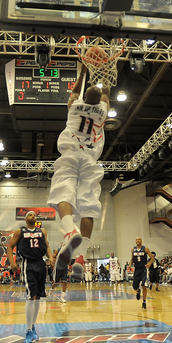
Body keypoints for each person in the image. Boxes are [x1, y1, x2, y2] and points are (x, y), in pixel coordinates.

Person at [47, 69, 110, 281]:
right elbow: (107, 94)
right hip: (91, 160)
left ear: (84, 97)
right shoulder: (102, 111)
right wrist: (106, 68)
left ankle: (68, 232)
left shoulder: (74, 107)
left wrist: (83, 72)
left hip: (71, 154)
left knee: (62, 192)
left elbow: (73, 92)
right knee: (88, 205)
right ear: (98, 100)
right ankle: (81, 258)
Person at [7, 210, 54, 343]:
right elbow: (10, 247)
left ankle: (33, 327)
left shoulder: (42, 231)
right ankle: (27, 331)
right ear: (26, 219)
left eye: (35, 214)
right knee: (31, 296)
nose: (34, 216)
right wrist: (12, 261)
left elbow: (47, 246)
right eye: (31, 214)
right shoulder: (19, 231)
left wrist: (50, 257)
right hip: (28, 263)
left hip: (41, 262)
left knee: (38, 296)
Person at [127, 237, 154, 310]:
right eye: (136, 239)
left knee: (144, 285)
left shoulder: (145, 248)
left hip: (143, 269)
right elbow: (132, 259)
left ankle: (144, 302)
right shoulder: (133, 249)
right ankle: (138, 291)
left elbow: (152, 258)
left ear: (141, 241)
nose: (137, 240)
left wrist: (149, 263)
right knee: (135, 286)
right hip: (136, 270)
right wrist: (129, 265)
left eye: (139, 239)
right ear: (135, 241)